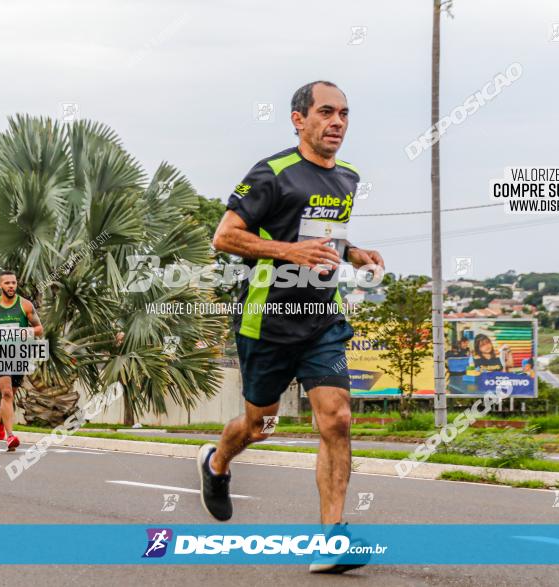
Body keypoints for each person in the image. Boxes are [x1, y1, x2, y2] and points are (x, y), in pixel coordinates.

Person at [199, 81, 384, 574]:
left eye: (344, 113)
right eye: (326, 112)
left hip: (322, 318)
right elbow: (225, 236)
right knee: (258, 424)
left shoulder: (347, 178)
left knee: (338, 418)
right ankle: (216, 464)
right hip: (269, 320)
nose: (338, 122)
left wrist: (355, 251)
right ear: (298, 119)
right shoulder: (273, 173)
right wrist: (287, 252)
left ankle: (332, 538)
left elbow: (326, 237)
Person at [0, 270, 43, 452]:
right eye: (7, 283)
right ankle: (10, 436)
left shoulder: (25, 305)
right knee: (6, 394)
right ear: (0, 285)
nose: (11, 286)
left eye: (13, 283)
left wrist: (26, 332)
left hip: (20, 353)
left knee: (11, 394)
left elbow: (39, 328)